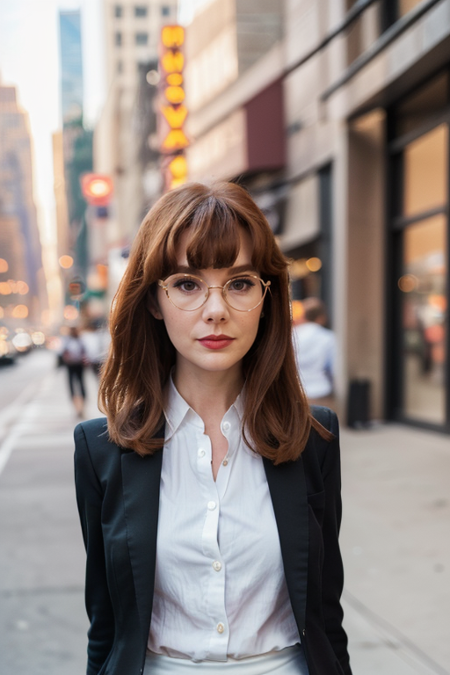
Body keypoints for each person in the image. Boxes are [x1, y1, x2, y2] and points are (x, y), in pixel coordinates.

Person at [74, 182, 352, 675]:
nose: (216, 309)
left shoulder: (313, 438)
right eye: (187, 284)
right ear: (154, 301)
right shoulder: (101, 449)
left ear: (267, 297)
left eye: (240, 282)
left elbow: (326, 617)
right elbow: (107, 626)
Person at [292, 298, 336, 409]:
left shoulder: (291, 335)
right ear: (321, 317)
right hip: (320, 391)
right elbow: (333, 367)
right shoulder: (327, 337)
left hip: (295, 391)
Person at [61, 326, 87, 417]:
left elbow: (85, 352)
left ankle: (82, 408)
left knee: (81, 385)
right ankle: (76, 408)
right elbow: (62, 352)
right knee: (72, 386)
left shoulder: (80, 341)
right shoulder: (67, 341)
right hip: (71, 366)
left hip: (79, 365)